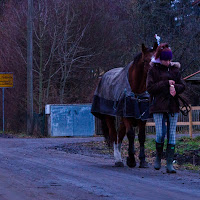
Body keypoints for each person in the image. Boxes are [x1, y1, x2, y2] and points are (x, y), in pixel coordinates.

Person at [146, 43, 185, 173]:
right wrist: (165, 83)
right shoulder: (153, 70)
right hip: (158, 105)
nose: (168, 62)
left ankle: (169, 163)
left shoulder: (175, 70)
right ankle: (158, 157)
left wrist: (176, 88)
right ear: (160, 59)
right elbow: (150, 88)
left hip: (172, 106)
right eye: (165, 60)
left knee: (172, 135)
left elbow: (182, 85)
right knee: (160, 133)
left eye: (169, 60)